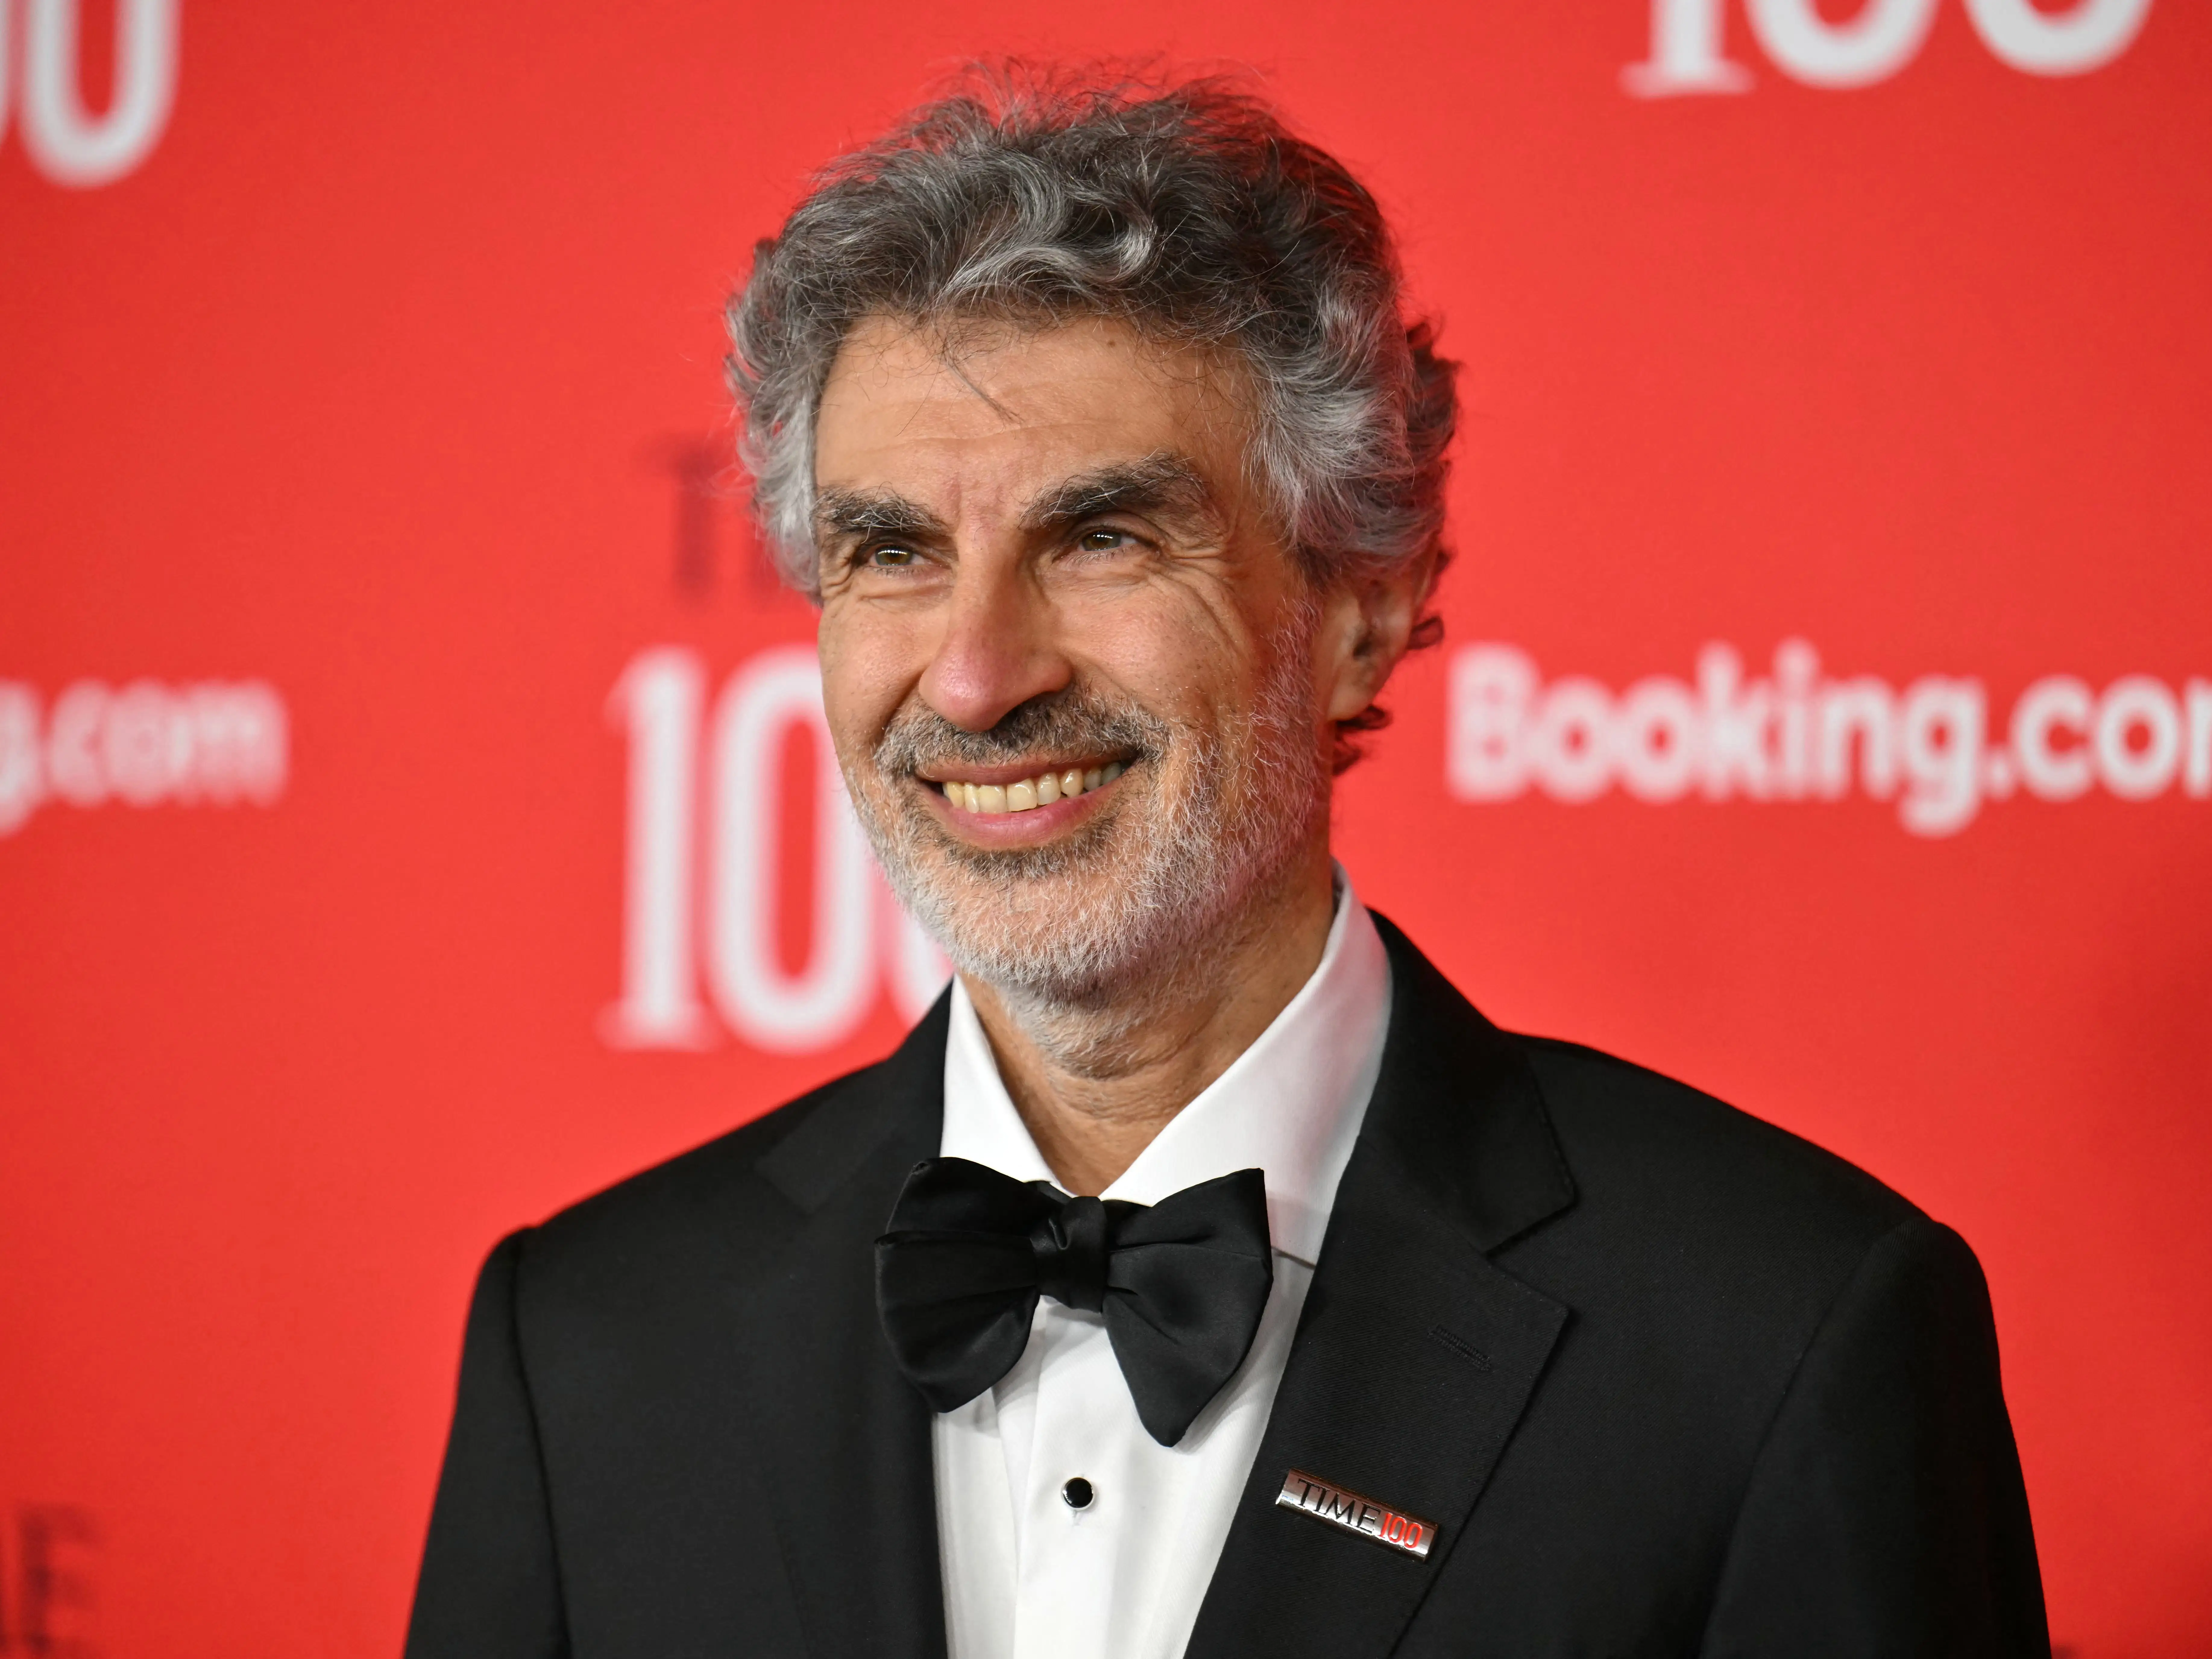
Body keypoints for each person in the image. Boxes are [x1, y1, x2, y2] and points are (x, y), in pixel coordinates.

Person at [406, 70, 2047, 1659]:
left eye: (1102, 536)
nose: (976, 676)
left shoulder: (1780, 1331)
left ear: (1357, 612)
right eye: (892, 551)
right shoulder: (591, 1339)